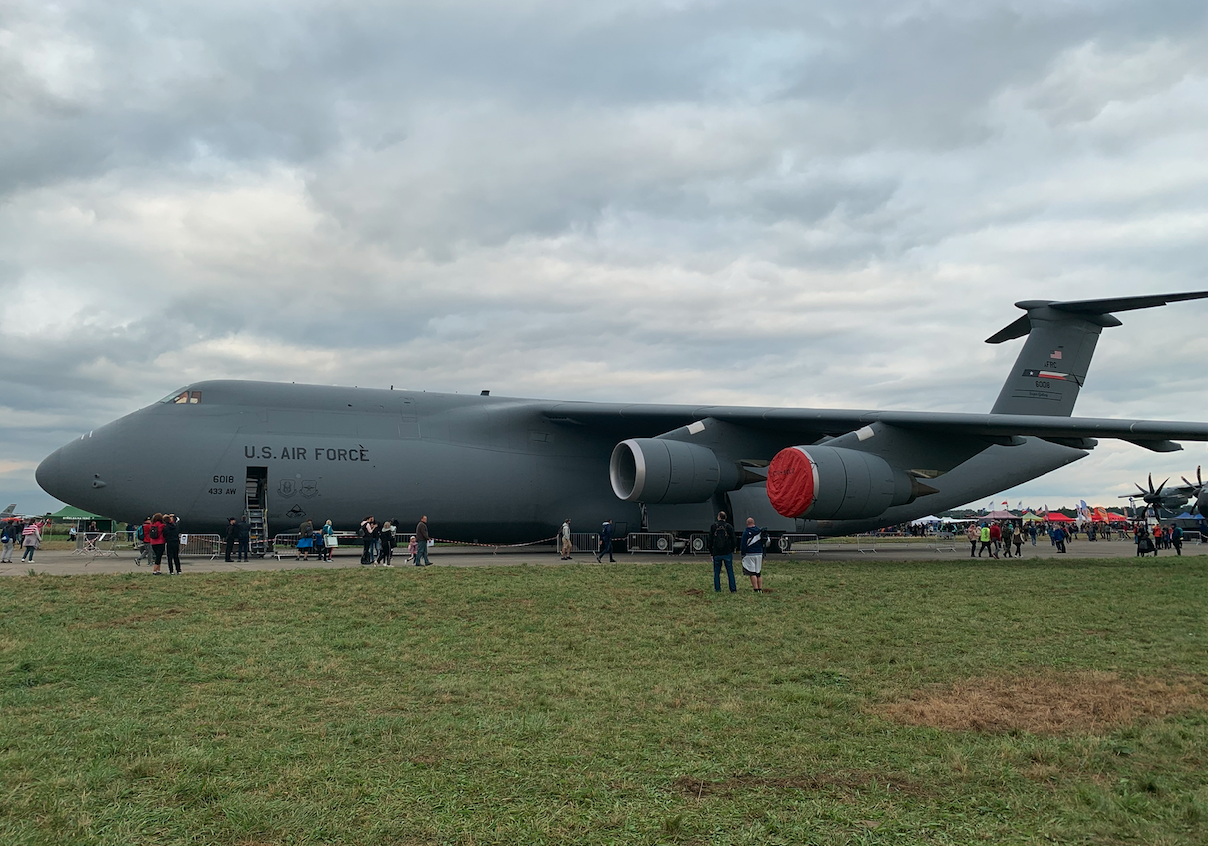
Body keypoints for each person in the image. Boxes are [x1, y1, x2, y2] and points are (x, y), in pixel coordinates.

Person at [708, 511, 737, 592]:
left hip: (716, 553)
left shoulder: (713, 526)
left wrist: (711, 552)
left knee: (716, 572)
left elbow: (710, 540)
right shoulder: (729, 527)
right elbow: (734, 539)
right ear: (725, 518)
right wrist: (732, 549)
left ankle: (717, 589)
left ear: (718, 517)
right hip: (727, 552)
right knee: (730, 572)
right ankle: (733, 589)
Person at [739, 517, 764, 592]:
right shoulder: (759, 531)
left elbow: (743, 544)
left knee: (752, 572)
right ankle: (760, 588)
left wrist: (742, 554)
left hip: (750, 554)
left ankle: (755, 589)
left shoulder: (746, 532)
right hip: (759, 553)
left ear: (747, 523)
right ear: (754, 523)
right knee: (758, 572)